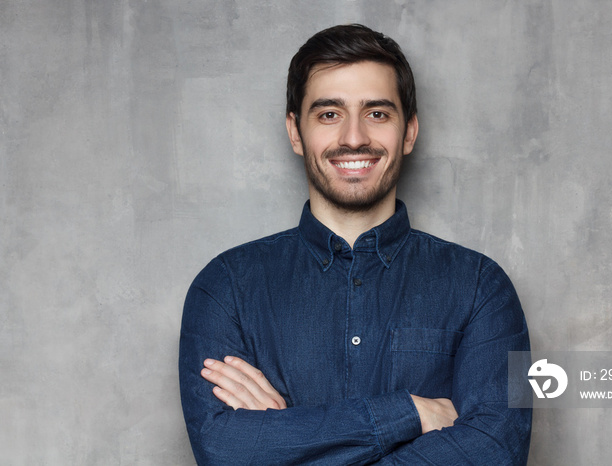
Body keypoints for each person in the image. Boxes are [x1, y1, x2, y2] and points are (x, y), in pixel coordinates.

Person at [179, 24, 531, 465]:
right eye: (329, 114)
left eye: (377, 114)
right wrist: (408, 412)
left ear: (409, 132)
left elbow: (498, 451)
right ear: (295, 132)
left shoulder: (484, 288)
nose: (353, 137)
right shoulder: (225, 287)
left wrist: (288, 440)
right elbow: (223, 450)